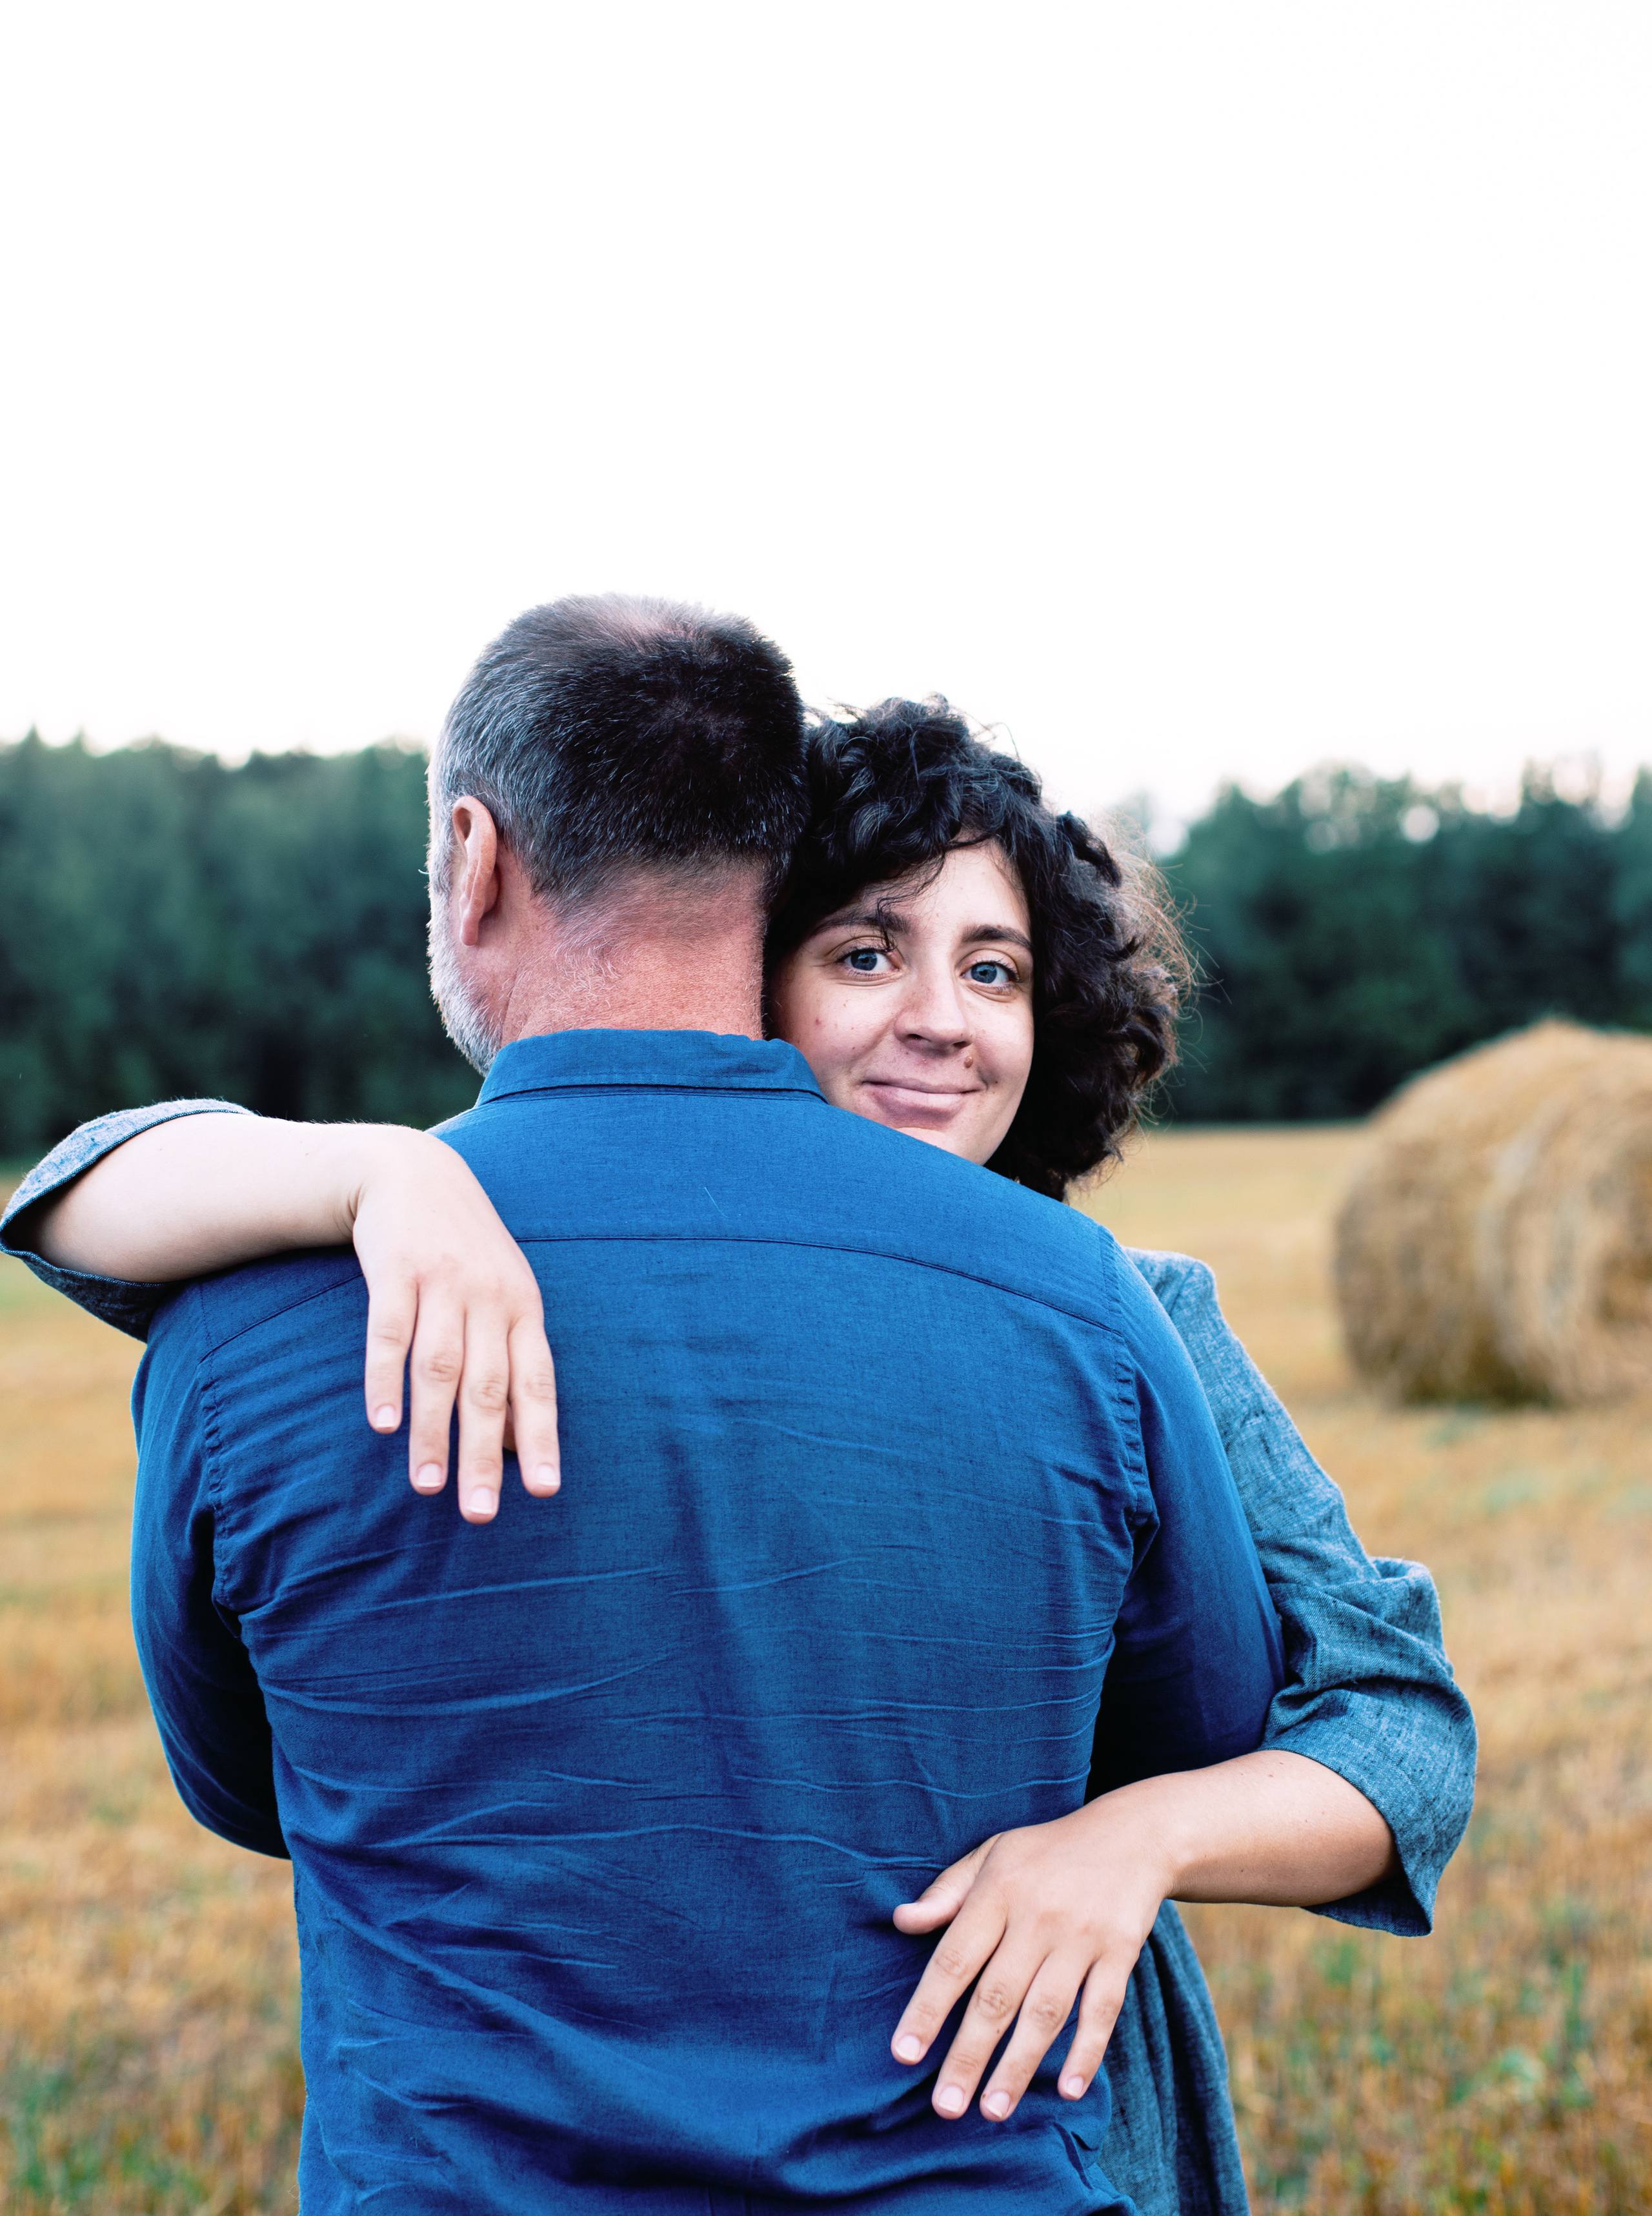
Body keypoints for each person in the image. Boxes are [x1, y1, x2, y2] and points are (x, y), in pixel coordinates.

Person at [1, 644, 1470, 2211]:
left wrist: (1135, 1841)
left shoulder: (1116, 1309)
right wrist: (379, 1172)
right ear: (749, 951)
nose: (936, 1024)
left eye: (993, 971)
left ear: (471, 863)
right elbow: (80, 1190)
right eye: (863, 955)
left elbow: (250, 1782)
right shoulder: (1078, 1321)